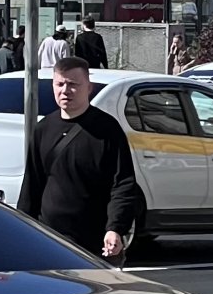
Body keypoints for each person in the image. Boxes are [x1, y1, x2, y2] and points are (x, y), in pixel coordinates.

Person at [18, 55, 139, 266]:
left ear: (88, 88)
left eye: (73, 85)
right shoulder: (43, 129)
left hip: (91, 243)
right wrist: (20, 231)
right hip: (49, 240)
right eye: (60, 84)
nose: (65, 91)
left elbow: (122, 185)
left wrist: (115, 229)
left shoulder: (106, 130)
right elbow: (32, 186)